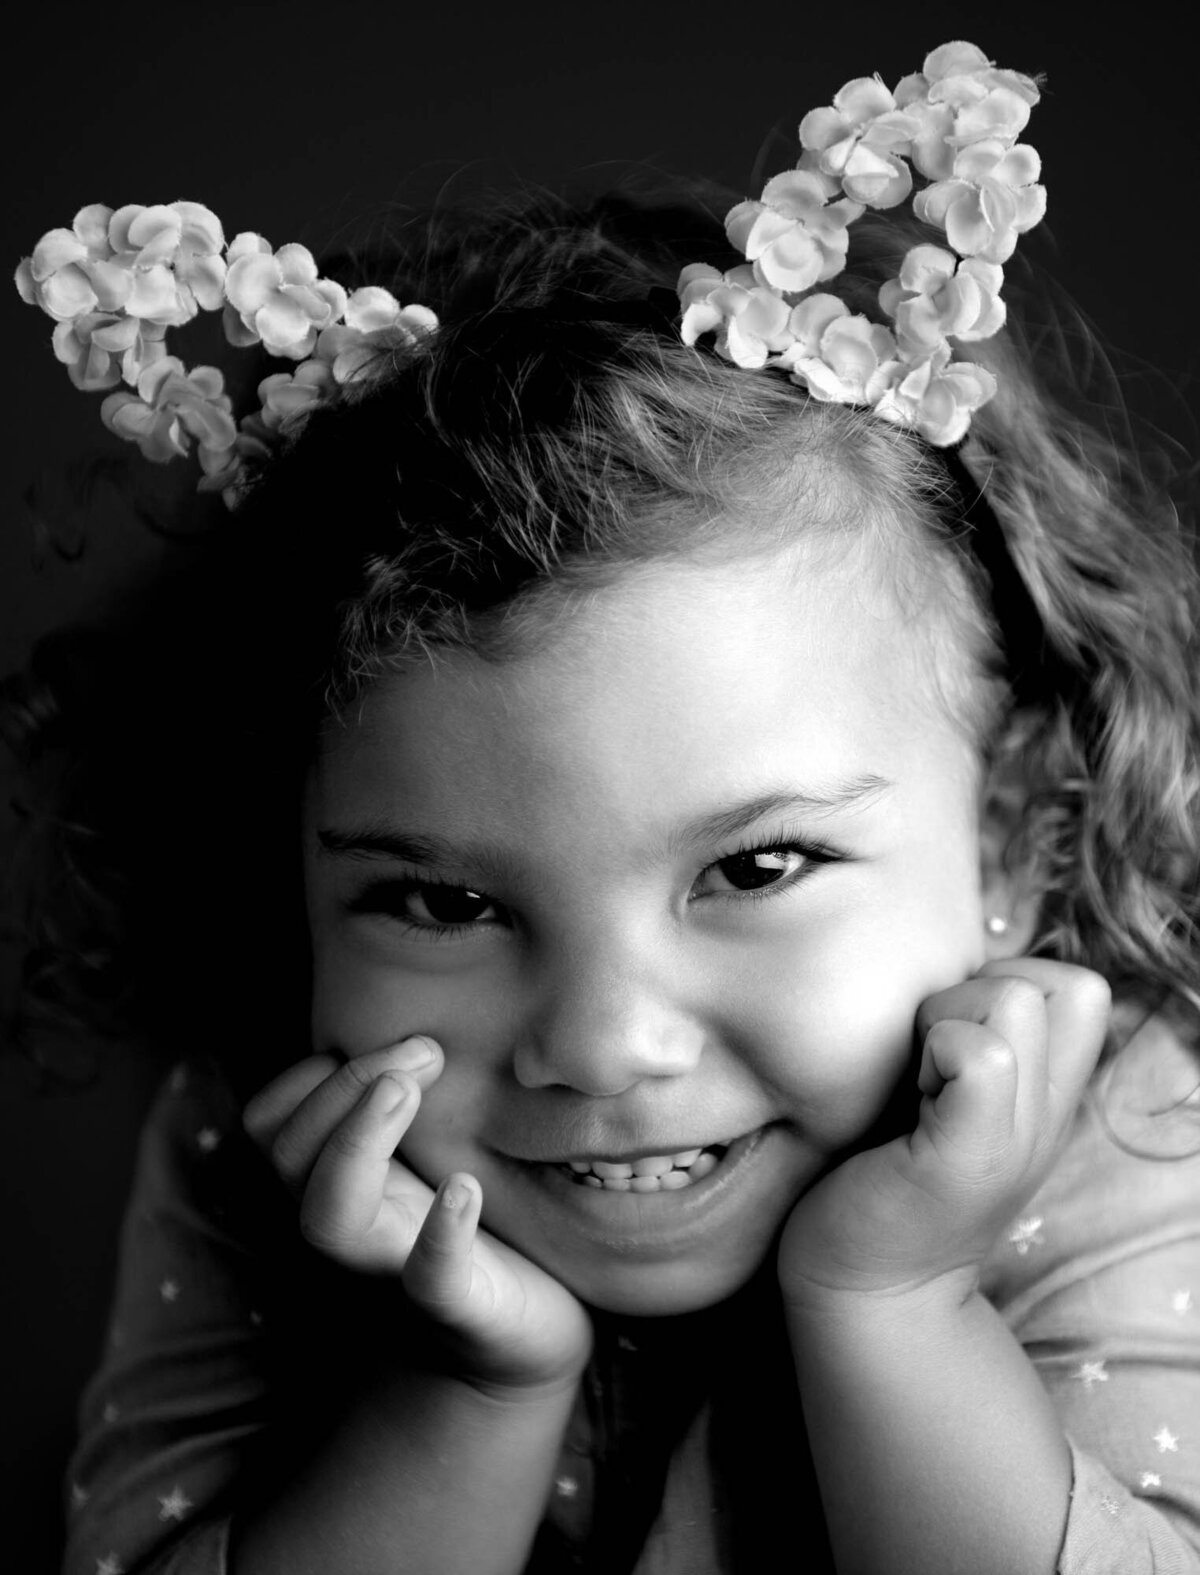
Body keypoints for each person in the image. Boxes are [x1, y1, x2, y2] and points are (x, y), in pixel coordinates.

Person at [10, 37, 1200, 1575]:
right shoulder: (271, 1142)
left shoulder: (1136, 1125)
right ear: (283, 872)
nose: (601, 1044)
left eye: (757, 866)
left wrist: (894, 1308)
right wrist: (465, 1388)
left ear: (1017, 833)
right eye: (443, 902)